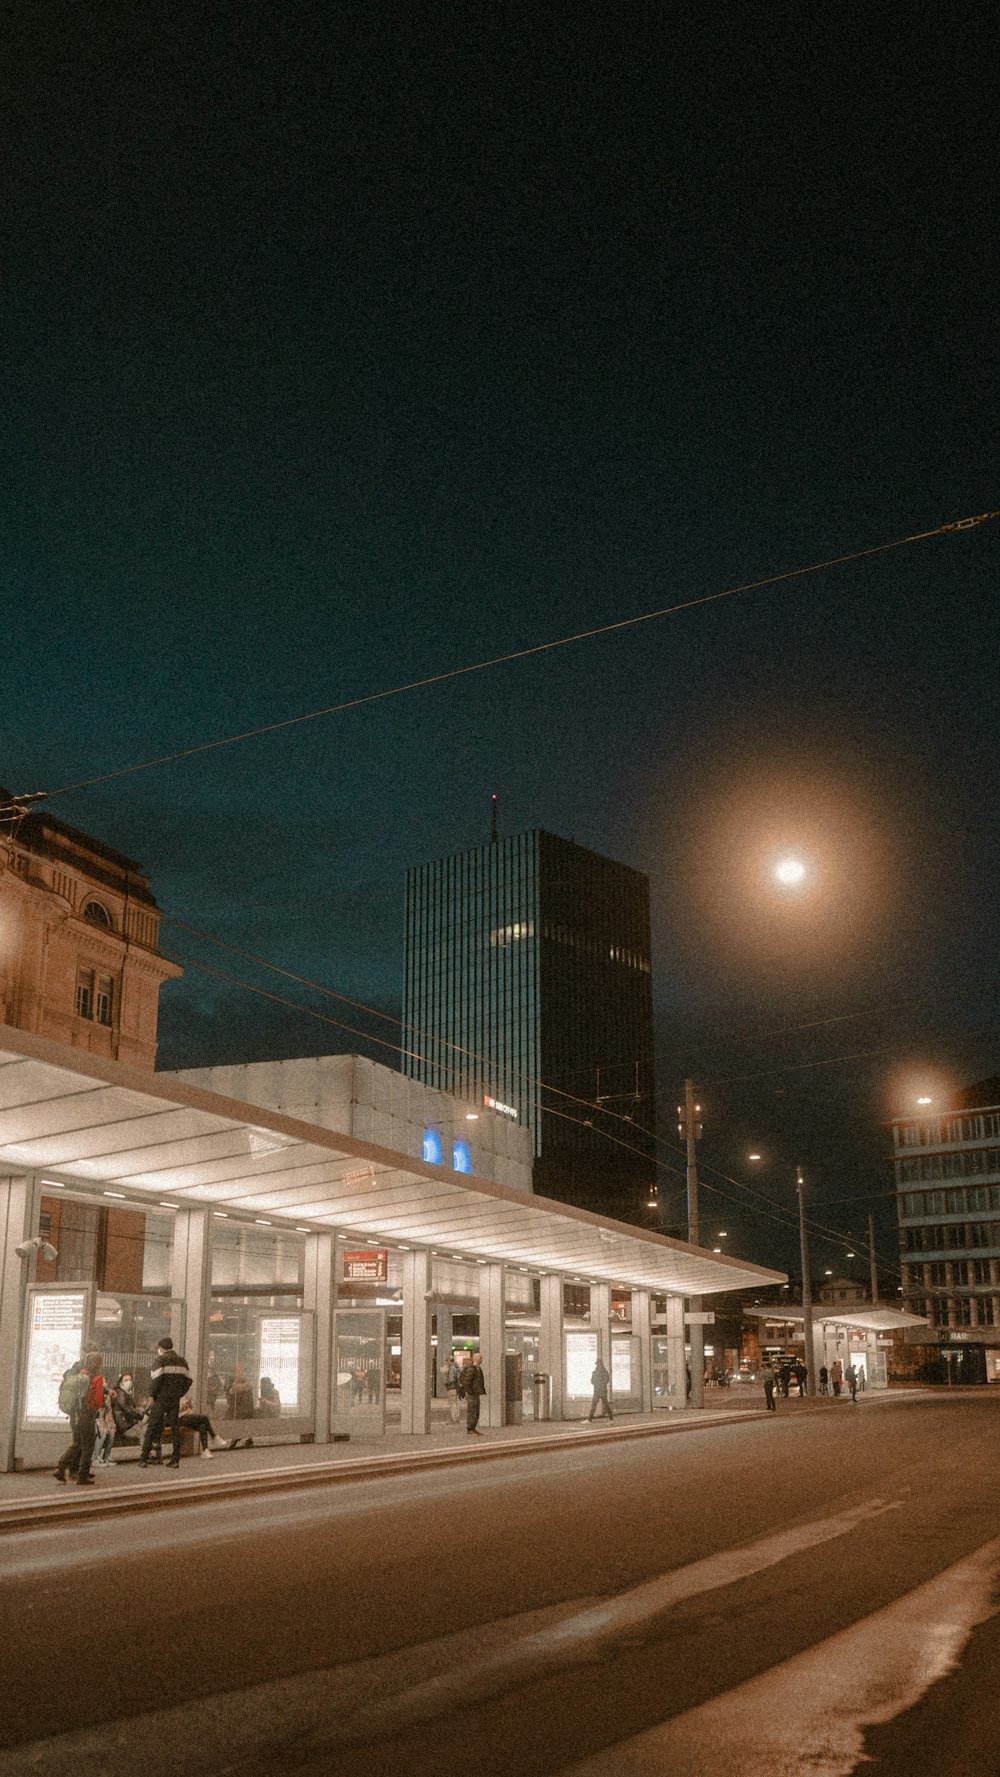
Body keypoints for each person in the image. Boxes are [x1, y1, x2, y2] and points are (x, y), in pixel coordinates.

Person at [139, 1337, 192, 1469]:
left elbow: (155, 1379)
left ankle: (144, 1458)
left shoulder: (160, 1360)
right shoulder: (182, 1361)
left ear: (161, 1348)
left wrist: (152, 1394)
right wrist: (180, 1393)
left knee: (152, 1426)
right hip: (174, 1399)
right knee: (175, 1428)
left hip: (161, 1399)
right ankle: (175, 1459)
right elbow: (189, 1380)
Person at [55, 1350, 104, 1484]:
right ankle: (82, 1476)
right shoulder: (97, 1378)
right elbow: (98, 1400)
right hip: (87, 1416)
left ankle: (60, 1468)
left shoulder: (80, 1375)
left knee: (76, 1443)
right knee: (88, 1446)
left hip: (74, 1415)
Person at [225, 1363, 255, 1446]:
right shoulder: (247, 1384)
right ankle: (247, 1438)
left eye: (240, 1370)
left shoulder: (239, 1385)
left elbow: (232, 1392)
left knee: (235, 1416)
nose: (239, 1373)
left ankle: (237, 1436)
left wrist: (235, 1387)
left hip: (241, 1409)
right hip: (246, 1409)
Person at [459, 1352, 486, 1435]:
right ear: (477, 1359)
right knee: (472, 1410)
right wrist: (469, 1391)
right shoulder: (472, 1369)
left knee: (476, 1410)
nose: (482, 1360)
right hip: (472, 1393)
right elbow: (467, 1382)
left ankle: (473, 1427)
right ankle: (470, 1428)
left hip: (475, 1393)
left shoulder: (478, 1368)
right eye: (481, 1358)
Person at [588, 1356, 614, 1422]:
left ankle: (589, 1419)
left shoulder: (595, 1372)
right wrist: (602, 1384)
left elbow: (592, 1381)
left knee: (593, 1405)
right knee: (606, 1405)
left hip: (597, 1390)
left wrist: (597, 1383)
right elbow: (607, 1380)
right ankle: (611, 1419)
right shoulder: (605, 1372)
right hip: (603, 1390)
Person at [443, 1354, 462, 1423]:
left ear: (449, 1361)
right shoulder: (457, 1368)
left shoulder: (451, 1368)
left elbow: (451, 1379)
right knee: (456, 1403)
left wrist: (446, 1382)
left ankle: (454, 1419)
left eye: (446, 1361)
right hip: (456, 1388)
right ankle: (457, 1418)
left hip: (451, 1388)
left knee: (452, 1403)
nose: (446, 1363)